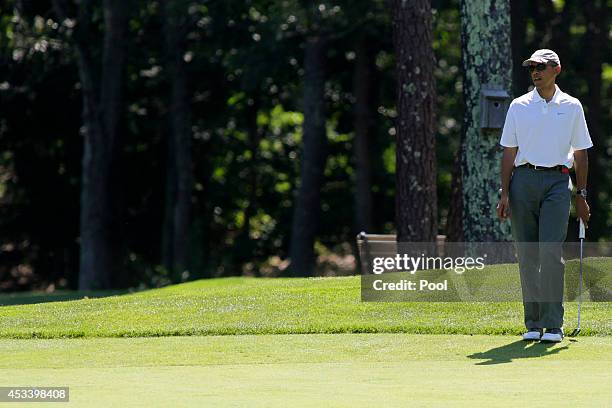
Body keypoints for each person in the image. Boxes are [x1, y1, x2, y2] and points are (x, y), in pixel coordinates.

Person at [496, 49, 593, 343]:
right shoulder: (518, 106)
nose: (535, 72)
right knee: (527, 254)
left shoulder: (572, 106)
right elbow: (509, 153)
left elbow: (581, 153)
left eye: (541, 67)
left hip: (557, 181)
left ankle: (553, 324)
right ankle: (533, 323)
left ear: (556, 69)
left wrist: (582, 193)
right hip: (522, 181)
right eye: (532, 68)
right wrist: (504, 193)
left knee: (550, 253)